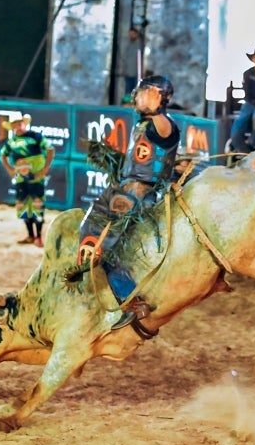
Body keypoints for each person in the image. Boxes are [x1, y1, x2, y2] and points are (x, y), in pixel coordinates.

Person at [74, 75, 180, 329]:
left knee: (109, 244)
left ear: (157, 96)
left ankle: (133, 301)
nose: (137, 96)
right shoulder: (143, 124)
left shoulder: (161, 124)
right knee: (90, 230)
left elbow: (167, 133)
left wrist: (156, 110)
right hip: (126, 189)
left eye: (143, 93)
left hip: (140, 194)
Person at [0, 111, 55, 247]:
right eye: (15, 124)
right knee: (23, 206)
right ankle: (30, 235)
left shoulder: (36, 137)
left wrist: (45, 169)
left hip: (36, 177)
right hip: (20, 178)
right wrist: (10, 170)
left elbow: (50, 149)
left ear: (24, 123)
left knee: (37, 204)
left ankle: (38, 236)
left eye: (20, 123)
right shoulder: (10, 142)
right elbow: (3, 156)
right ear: (12, 127)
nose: (18, 126)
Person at [118, 26, 142, 99]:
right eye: (130, 34)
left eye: (132, 34)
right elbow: (125, 58)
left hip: (136, 73)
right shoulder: (128, 44)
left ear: (136, 34)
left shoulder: (139, 44)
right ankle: (127, 105)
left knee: (135, 92)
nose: (131, 36)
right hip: (128, 73)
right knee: (128, 92)